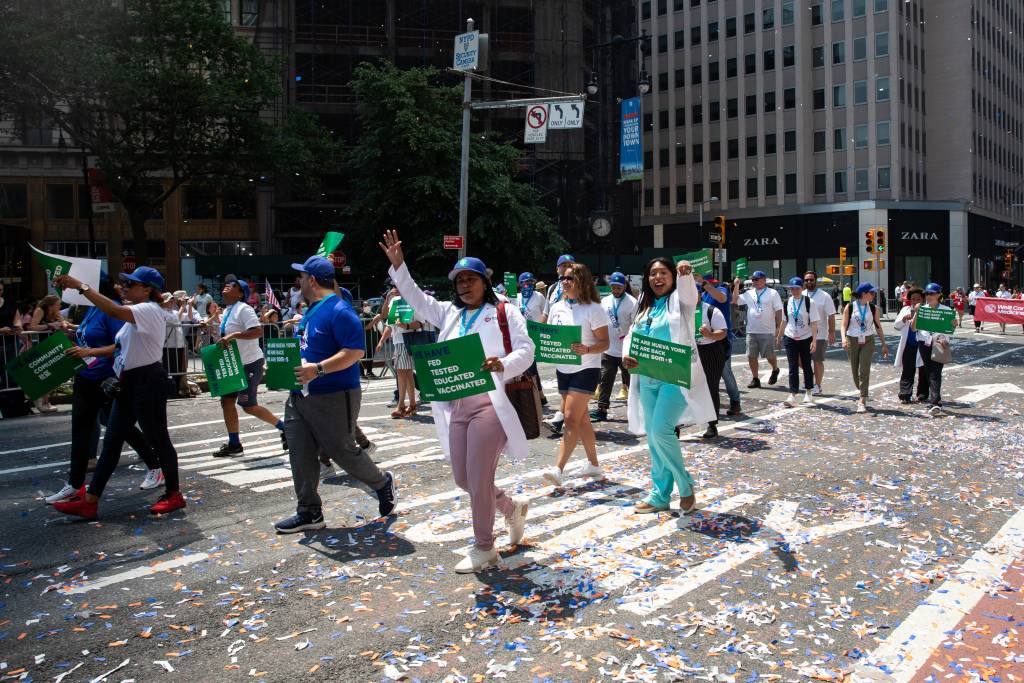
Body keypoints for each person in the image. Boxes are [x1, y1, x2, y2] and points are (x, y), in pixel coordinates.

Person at [381, 231, 531, 573]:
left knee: (478, 480)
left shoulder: (504, 311)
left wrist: (502, 364)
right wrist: (399, 266)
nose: (464, 285)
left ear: (485, 281)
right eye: (459, 280)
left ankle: (483, 548)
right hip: (456, 409)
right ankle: (511, 508)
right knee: (464, 481)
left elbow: (526, 349)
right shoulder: (448, 312)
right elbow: (416, 299)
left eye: (471, 279)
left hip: (489, 407)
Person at [273, 256, 396, 534]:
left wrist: (317, 369)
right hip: (300, 396)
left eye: (302, 277)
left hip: (334, 393)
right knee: (300, 452)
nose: (298, 282)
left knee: (343, 450)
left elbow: (354, 352)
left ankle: (381, 482)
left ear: (313, 280)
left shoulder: (340, 311)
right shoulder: (312, 309)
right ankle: (309, 511)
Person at [51, 267, 185, 518]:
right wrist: (89, 352)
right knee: (111, 442)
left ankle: (174, 494)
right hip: (129, 382)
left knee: (159, 440)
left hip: (148, 381)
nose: (125, 287)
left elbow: (113, 310)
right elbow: (119, 345)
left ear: (147, 290)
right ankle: (90, 501)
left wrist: (81, 286)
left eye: (131, 284)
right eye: (124, 283)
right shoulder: (135, 314)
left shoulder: (148, 309)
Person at [621, 258, 716, 513]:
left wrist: (686, 272)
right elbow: (632, 334)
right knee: (653, 437)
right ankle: (660, 495)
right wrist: (626, 354)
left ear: (672, 277)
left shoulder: (680, 303)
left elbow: (690, 295)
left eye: (663, 273)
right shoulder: (645, 305)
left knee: (662, 431)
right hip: (647, 378)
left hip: (674, 378)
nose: (657, 277)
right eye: (653, 273)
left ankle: (685, 485)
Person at [542, 262, 610, 486]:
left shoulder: (594, 308)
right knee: (581, 419)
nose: (564, 282)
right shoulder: (556, 307)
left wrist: (588, 349)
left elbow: (605, 342)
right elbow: (552, 336)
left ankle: (558, 468)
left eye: (570, 278)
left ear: (581, 281)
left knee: (570, 418)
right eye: (563, 278)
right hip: (564, 369)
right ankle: (594, 465)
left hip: (587, 368)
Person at [211, 275, 287, 457]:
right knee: (226, 402)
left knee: (248, 406)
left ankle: (285, 428)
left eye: (233, 285)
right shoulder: (229, 310)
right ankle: (234, 444)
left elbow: (258, 332)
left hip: (250, 364)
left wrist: (234, 335)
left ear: (240, 294)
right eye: (227, 283)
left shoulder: (243, 309)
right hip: (234, 365)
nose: (228, 285)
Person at [591, 272, 636, 422]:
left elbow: (636, 325)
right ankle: (601, 409)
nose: (616, 290)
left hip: (626, 350)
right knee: (605, 379)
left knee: (632, 382)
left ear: (624, 286)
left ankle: (640, 411)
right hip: (608, 349)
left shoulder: (632, 302)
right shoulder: (605, 301)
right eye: (613, 287)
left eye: (619, 287)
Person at [697, 272, 741, 416]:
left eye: (710, 282)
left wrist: (705, 284)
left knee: (725, 372)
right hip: (703, 342)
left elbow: (722, 298)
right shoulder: (702, 295)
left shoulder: (721, 288)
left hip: (721, 339)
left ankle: (735, 402)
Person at [840, 283, 889, 412]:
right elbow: (844, 325)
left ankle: (862, 399)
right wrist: (844, 338)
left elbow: (878, 326)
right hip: (852, 339)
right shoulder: (850, 307)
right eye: (871, 293)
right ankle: (861, 388)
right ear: (863, 294)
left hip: (868, 340)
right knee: (855, 371)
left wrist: (884, 343)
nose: (873, 295)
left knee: (864, 369)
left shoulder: (873, 308)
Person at [733, 271, 783, 388]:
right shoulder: (749, 293)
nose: (754, 281)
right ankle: (755, 378)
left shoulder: (772, 293)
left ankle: (775, 369)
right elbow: (735, 300)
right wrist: (736, 285)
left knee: (770, 356)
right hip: (751, 330)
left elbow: (779, 311)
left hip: (767, 331)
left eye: (756, 279)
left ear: (764, 280)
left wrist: (778, 327)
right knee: (751, 356)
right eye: (753, 279)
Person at [912, 283, 956, 416]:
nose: (929, 296)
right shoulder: (922, 308)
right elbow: (913, 328)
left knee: (935, 371)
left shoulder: (946, 310)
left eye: (932, 293)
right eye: (927, 294)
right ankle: (935, 400)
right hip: (924, 342)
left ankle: (935, 402)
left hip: (938, 343)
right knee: (929, 371)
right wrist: (916, 313)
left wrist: (954, 324)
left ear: (938, 295)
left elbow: (950, 329)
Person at [376, 288, 418, 418]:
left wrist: (405, 326)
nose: (394, 290)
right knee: (408, 373)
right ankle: (411, 404)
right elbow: (389, 323)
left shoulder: (408, 300)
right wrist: (382, 341)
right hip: (402, 341)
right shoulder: (397, 301)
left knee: (401, 373)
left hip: (403, 341)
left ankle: (401, 405)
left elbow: (416, 323)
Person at [778, 276, 819, 407]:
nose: (794, 291)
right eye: (792, 289)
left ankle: (808, 392)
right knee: (792, 366)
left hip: (805, 337)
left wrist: (814, 340)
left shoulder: (809, 302)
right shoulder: (786, 302)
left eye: (797, 288)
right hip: (790, 337)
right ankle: (792, 394)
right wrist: (779, 337)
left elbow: (813, 323)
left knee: (807, 364)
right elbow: (784, 321)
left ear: (802, 288)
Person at [26, 294, 69, 412]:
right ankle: (42, 401)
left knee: (52, 374)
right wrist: (50, 325)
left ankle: (46, 400)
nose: (60, 306)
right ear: (51, 305)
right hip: (41, 344)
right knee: (44, 374)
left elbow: (63, 322)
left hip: (54, 343)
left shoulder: (56, 312)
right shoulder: (40, 310)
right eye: (58, 304)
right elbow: (33, 326)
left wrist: (63, 324)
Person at [696, 295, 729, 438]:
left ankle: (712, 425)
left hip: (711, 350)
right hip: (691, 351)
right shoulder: (681, 310)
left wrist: (709, 334)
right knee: (683, 387)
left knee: (711, 388)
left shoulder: (711, 310)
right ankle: (677, 424)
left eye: (694, 292)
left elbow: (723, 332)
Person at [802, 271, 837, 396]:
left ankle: (817, 385)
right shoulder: (800, 295)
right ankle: (810, 375)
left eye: (811, 280)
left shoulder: (824, 296)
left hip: (820, 334)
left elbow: (831, 315)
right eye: (807, 280)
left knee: (817, 360)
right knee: (800, 359)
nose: (809, 282)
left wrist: (832, 332)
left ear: (816, 281)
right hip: (802, 334)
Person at [893, 287, 928, 404]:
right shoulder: (905, 309)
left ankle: (922, 394)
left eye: (918, 299)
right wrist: (904, 319)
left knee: (923, 370)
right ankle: (905, 393)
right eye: (913, 299)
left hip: (923, 344)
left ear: (923, 300)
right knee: (907, 369)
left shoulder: (927, 310)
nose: (915, 301)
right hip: (908, 344)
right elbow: (897, 326)